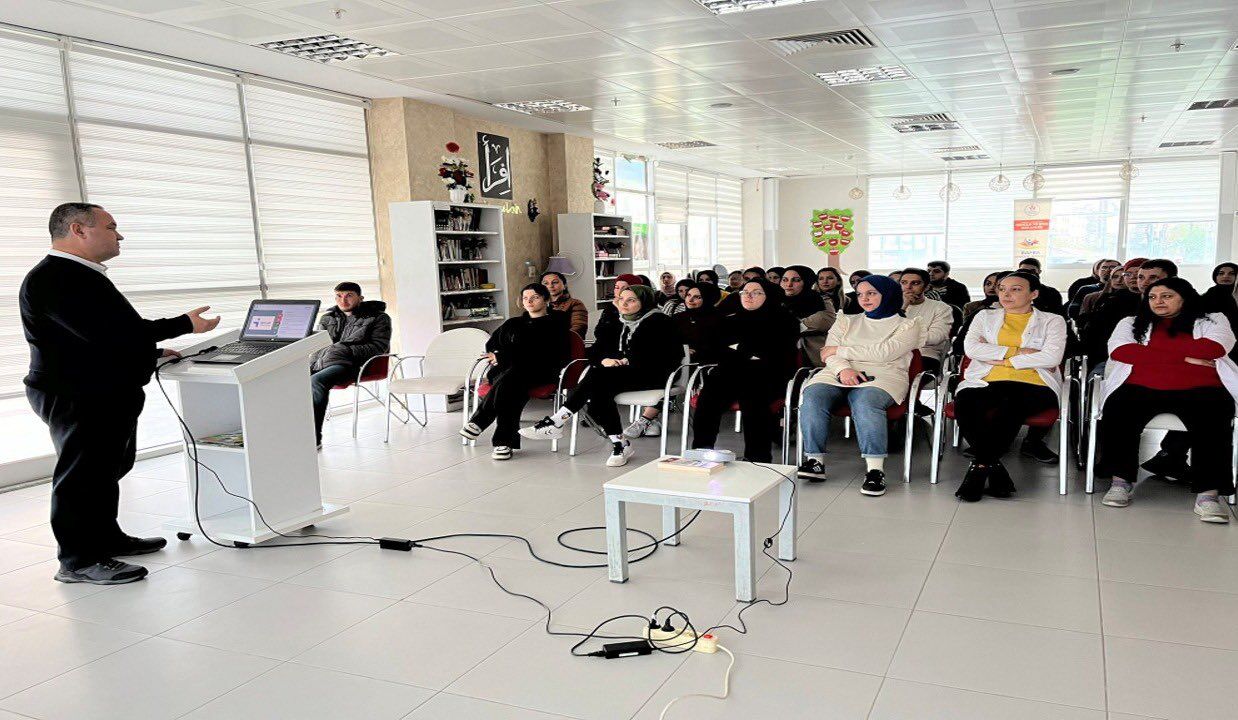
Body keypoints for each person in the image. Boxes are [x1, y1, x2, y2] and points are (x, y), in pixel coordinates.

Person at [21, 203, 220, 585]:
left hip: (100, 388)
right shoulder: (55, 277)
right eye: (112, 227)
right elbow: (110, 335)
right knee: (81, 477)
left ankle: (106, 538)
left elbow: (97, 336)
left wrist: (152, 352)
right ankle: (78, 560)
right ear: (79, 230)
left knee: (107, 469)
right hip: (76, 393)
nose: (120, 235)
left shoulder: (78, 274)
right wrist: (183, 325)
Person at [1098, 278, 1237, 523]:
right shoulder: (1131, 322)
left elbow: (1213, 348)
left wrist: (1151, 355)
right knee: (1118, 413)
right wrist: (1187, 357)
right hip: (1139, 386)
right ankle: (1121, 481)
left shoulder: (1213, 319)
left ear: (1184, 297)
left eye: (1167, 296)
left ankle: (1208, 495)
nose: (1158, 302)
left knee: (1214, 424)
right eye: (1152, 297)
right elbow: (1120, 351)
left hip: (1202, 388)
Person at [521, 285, 681, 467]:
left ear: (644, 302)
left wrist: (627, 361)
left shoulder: (660, 321)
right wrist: (605, 359)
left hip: (657, 374)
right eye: (621, 299)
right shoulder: (619, 321)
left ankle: (558, 421)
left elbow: (667, 356)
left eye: (631, 300)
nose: (624, 304)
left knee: (598, 379)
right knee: (599, 386)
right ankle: (619, 444)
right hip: (624, 374)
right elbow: (598, 349)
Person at [796, 275, 922, 495]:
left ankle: (875, 471)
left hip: (885, 374)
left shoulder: (908, 325)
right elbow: (828, 353)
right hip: (838, 371)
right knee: (813, 395)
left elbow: (884, 353)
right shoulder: (846, 320)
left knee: (864, 401)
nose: (864, 298)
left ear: (888, 294)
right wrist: (843, 369)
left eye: (871, 293)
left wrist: (841, 350)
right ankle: (814, 461)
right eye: (861, 293)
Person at [952, 271, 1067, 501]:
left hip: (1034, 381)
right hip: (985, 378)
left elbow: (1052, 357)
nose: (1006, 294)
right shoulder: (984, 316)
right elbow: (972, 349)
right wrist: (1017, 352)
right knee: (965, 402)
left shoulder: (1053, 320)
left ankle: (979, 469)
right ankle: (991, 467)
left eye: (1016, 289)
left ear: (1033, 293)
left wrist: (1002, 359)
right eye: (1002, 288)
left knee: (1009, 406)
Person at [690, 279, 799, 462]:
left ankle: (757, 458)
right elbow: (713, 349)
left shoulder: (784, 320)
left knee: (754, 397)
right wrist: (747, 351)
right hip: (731, 372)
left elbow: (775, 353)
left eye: (756, 292)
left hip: (769, 374)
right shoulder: (730, 320)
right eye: (744, 292)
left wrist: (737, 348)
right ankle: (701, 451)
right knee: (708, 397)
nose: (748, 296)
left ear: (768, 296)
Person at [460, 284, 572, 460]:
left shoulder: (557, 322)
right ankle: (502, 443)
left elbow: (539, 352)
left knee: (512, 380)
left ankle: (481, 423)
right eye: (525, 298)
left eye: (534, 297)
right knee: (511, 388)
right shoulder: (513, 323)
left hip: (541, 371)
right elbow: (493, 346)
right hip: (509, 374)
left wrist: (504, 356)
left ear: (546, 299)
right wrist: (501, 356)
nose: (529, 301)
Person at [624, 283, 725, 440]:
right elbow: (666, 342)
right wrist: (682, 350)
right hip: (675, 360)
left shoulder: (719, 319)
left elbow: (718, 346)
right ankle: (651, 420)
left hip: (705, 363)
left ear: (708, 298)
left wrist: (692, 350)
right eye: (689, 295)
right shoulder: (676, 318)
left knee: (669, 372)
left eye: (697, 297)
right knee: (661, 368)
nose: (690, 300)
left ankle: (646, 419)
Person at [309, 282, 392, 447]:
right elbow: (316, 344)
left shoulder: (378, 318)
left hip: (353, 365)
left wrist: (343, 349)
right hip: (320, 362)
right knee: (286, 380)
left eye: (349, 296)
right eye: (339, 296)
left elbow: (378, 347)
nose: (343, 300)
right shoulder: (327, 318)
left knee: (316, 381)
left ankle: (313, 438)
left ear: (360, 298)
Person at [899, 268, 953, 374]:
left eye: (915, 283)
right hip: (891, 353)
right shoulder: (889, 306)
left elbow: (936, 337)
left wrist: (901, 337)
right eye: (904, 283)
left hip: (925, 354)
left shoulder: (941, 308)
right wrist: (903, 307)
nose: (908, 287)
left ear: (927, 287)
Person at [782, 265, 836, 365]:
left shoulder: (819, 299)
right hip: (783, 357)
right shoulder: (776, 300)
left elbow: (823, 321)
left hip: (813, 355)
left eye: (796, 280)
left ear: (807, 281)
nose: (789, 284)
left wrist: (788, 327)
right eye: (784, 280)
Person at [590, 273, 642, 363]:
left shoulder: (639, 311)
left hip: (623, 353)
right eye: (617, 288)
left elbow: (629, 334)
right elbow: (598, 332)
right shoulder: (610, 309)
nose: (619, 292)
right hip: (603, 350)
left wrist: (620, 309)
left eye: (625, 288)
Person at [541, 271, 588, 338]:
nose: (550, 286)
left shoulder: (575, 303)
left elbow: (579, 328)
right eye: (545, 283)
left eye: (555, 282)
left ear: (564, 286)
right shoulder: (539, 305)